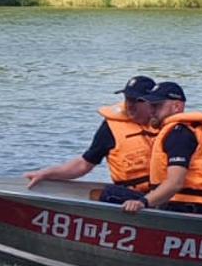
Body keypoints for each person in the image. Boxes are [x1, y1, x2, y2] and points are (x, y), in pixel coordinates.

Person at [23, 75, 159, 190]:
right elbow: (84, 164)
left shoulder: (167, 125)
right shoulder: (111, 127)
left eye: (136, 100)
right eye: (128, 99)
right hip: (130, 198)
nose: (130, 105)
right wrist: (46, 173)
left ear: (152, 102)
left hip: (165, 196)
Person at [121, 81, 202, 216]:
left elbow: (175, 183)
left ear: (177, 107)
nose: (151, 111)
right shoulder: (177, 130)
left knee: (110, 194)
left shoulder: (179, 133)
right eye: (150, 106)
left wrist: (143, 202)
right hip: (186, 203)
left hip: (182, 207)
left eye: (157, 106)